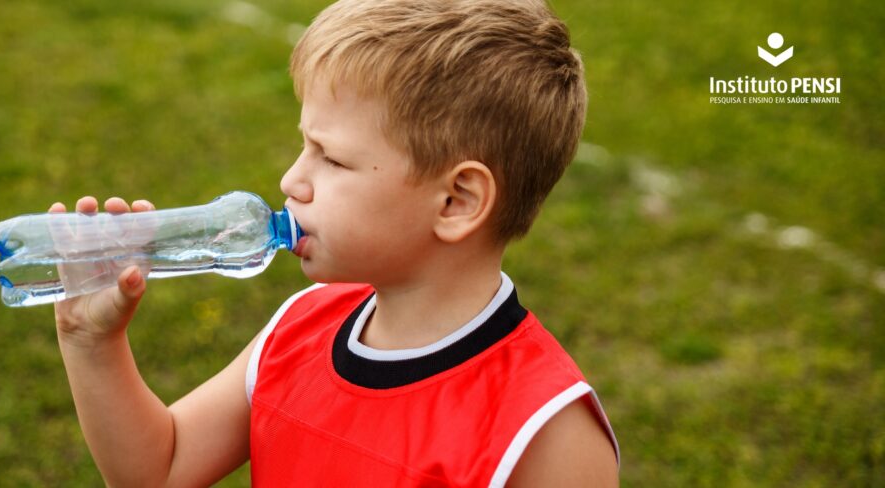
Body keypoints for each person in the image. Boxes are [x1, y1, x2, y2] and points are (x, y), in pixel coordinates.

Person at [48, 0, 619, 486]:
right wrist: (91, 342)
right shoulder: (299, 328)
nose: (291, 181)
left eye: (332, 157)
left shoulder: (543, 431)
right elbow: (161, 468)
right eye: (305, 146)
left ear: (456, 201)